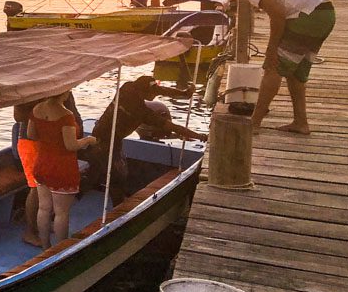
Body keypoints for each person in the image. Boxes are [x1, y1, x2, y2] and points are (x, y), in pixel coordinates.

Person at [212, 0, 336, 134]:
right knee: (295, 74)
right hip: (325, 14)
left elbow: (277, 15)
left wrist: (271, 49)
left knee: (273, 67)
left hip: (309, 16)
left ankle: (254, 123)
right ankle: (301, 122)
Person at [79, 76, 206, 204]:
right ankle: (120, 209)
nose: (156, 95)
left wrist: (184, 93)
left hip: (104, 133)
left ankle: (77, 192)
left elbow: (160, 89)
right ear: (144, 92)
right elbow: (174, 127)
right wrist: (200, 136)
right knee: (118, 176)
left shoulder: (127, 87)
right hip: (105, 140)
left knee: (96, 170)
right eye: (153, 92)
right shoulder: (141, 112)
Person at [27, 92, 100, 249]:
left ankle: (45, 247)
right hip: (61, 166)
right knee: (61, 212)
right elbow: (71, 145)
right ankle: (60, 250)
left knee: (44, 208)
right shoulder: (66, 115)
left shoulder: (37, 109)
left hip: (42, 164)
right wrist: (88, 140)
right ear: (64, 93)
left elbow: (30, 134)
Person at [14, 93, 84, 247]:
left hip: (46, 154)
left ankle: (46, 242)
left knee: (44, 206)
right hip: (44, 151)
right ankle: (32, 232)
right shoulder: (34, 91)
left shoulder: (43, 107)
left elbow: (32, 132)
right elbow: (19, 117)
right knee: (52, 205)